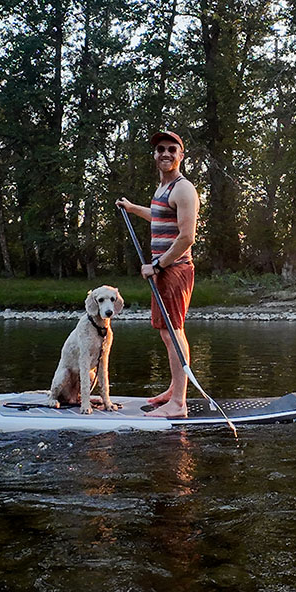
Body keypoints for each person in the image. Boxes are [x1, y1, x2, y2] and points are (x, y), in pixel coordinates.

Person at [115, 130, 199, 418]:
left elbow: (187, 237)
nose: (165, 153)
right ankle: (174, 390)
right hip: (164, 270)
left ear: (181, 155)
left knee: (173, 334)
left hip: (174, 269)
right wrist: (130, 208)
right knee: (169, 334)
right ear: (155, 155)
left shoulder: (183, 188)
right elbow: (158, 215)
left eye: (171, 149)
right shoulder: (162, 189)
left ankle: (178, 403)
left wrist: (158, 265)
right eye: (160, 149)